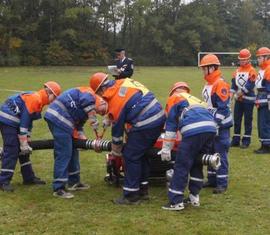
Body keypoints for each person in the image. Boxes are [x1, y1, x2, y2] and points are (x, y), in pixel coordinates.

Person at [90, 72, 165, 205]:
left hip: (146, 123)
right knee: (143, 154)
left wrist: (116, 151)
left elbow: (117, 133)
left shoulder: (115, 101)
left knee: (130, 156)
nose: (101, 98)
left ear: (101, 89)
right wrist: (110, 116)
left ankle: (131, 195)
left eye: (99, 95)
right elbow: (129, 101)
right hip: (158, 118)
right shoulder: (123, 81)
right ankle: (143, 190)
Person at [160, 82, 217, 211]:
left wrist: (166, 148)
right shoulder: (195, 100)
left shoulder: (174, 98)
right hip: (211, 129)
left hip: (193, 130)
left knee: (181, 165)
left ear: (173, 91)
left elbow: (170, 127)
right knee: (197, 163)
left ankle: (176, 201)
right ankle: (194, 197)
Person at [44, 86, 108, 199]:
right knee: (64, 152)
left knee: (73, 149)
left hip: (61, 119)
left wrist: (82, 139)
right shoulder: (90, 95)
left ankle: (74, 181)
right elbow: (87, 103)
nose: (101, 113)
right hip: (59, 119)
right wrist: (93, 118)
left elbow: (78, 124)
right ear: (100, 102)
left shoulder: (86, 106)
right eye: (102, 111)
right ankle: (59, 188)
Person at [0, 82, 61, 192]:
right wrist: (23, 141)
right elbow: (24, 122)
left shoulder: (38, 99)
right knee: (12, 149)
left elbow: (29, 122)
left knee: (24, 151)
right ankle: (3, 181)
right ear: (49, 93)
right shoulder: (36, 99)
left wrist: (26, 139)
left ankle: (28, 178)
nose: (54, 100)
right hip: (8, 121)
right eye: (55, 97)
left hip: (13, 120)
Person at [200, 54, 232, 194]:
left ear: (211, 68)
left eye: (204, 68)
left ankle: (222, 183)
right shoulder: (209, 83)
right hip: (212, 124)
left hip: (221, 125)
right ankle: (212, 179)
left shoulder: (220, 83)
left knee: (220, 153)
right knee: (211, 152)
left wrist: (216, 123)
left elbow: (223, 107)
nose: (202, 71)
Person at [230, 49, 257, 148]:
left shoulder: (252, 70)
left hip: (248, 100)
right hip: (238, 100)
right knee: (236, 119)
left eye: (244, 59)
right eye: (241, 60)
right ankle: (236, 139)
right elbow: (233, 85)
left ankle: (246, 140)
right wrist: (230, 98)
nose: (242, 61)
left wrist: (240, 93)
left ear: (248, 59)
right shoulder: (236, 71)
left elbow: (250, 85)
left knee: (247, 120)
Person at [254, 47, 270, 154]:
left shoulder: (268, 69)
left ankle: (267, 146)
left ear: (266, 57)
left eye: (260, 57)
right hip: (261, 96)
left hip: (265, 97)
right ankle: (264, 143)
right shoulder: (262, 69)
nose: (258, 60)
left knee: (264, 122)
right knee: (262, 122)